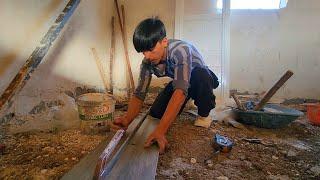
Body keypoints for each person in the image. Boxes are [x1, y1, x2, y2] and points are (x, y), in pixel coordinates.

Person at [113, 17, 219, 153]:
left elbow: (180, 91)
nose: (147, 56)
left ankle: (204, 113)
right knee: (156, 113)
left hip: (201, 78)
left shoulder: (181, 50)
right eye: (143, 52)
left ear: (164, 42)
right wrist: (127, 119)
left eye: (151, 50)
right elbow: (139, 93)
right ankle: (188, 99)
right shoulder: (147, 62)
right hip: (180, 80)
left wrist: (160, 131)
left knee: (200, 75)